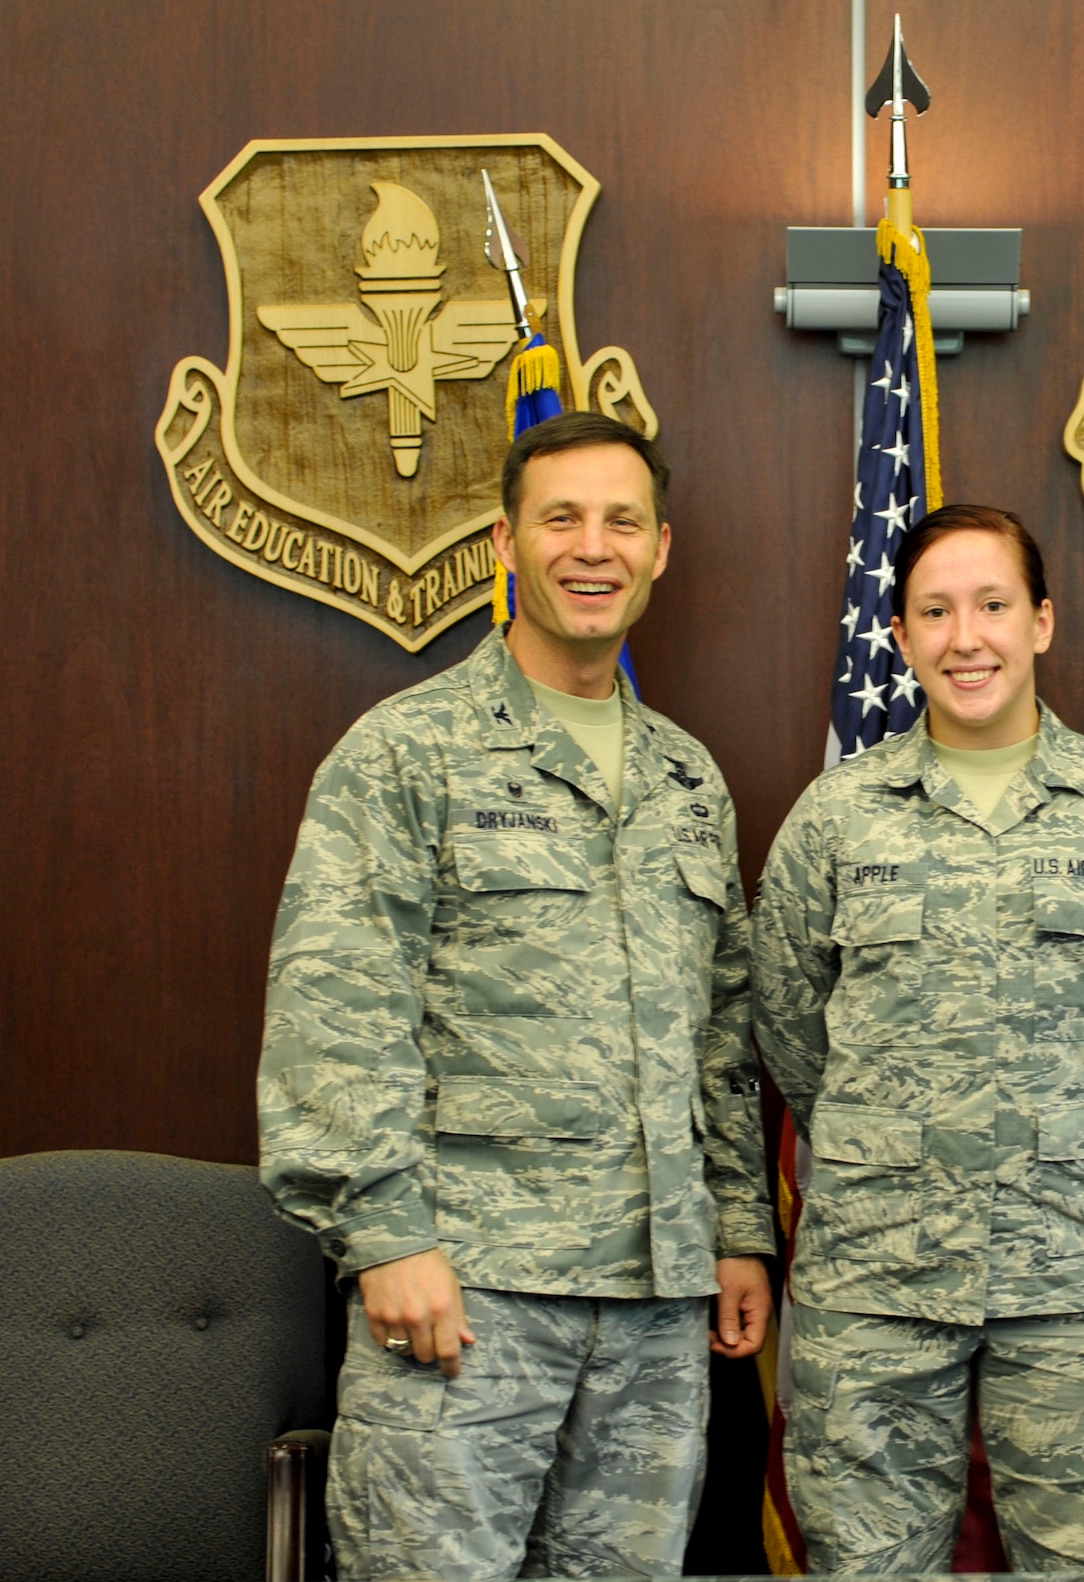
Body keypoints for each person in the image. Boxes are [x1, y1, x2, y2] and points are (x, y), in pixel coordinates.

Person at [258, 411, 774, 1581]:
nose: (591, 548)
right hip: (468, 1293)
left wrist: (739, 1227)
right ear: (506, 540)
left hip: (654, 1302)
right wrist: (384, 1234)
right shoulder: (408, 751)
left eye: (621, 522)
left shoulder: (687, 776)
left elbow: (722, 1029)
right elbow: (334, 1003)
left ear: (659, 551)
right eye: (561, 519)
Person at [751, 503, 1084, 1573]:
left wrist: (1077, 1160)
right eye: (935, 610)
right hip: (877, 1275)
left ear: (1041, 622)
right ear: (902, 636)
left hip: (1077, 1271)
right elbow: (787, 1023)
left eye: (993, 604)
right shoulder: (835, 818)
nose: (967, 637)